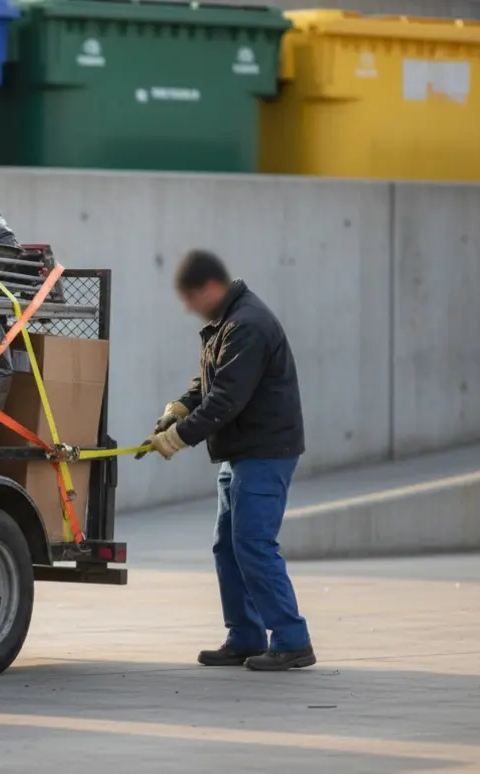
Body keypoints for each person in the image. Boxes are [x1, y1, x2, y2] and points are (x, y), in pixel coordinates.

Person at [141, 249, 314, 671]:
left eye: (190, 298)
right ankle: (245, 636)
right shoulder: (225, 324)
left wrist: (177, 438)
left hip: (264, 452)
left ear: (211, 288)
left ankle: (292, 640)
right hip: (241, 453)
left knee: (253, 544)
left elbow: (226, 399)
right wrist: (179, 408)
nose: (188, 309)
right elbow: (209, 383)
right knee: (228, 546)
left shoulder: (248, 325)